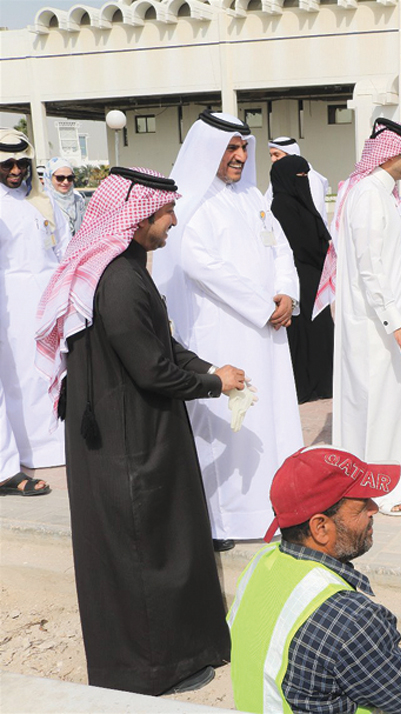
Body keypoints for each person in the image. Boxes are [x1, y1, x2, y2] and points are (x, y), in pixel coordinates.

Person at [35, 166, 240, 695]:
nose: (172, 221)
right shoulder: (120, 278)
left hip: (130, 430)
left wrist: (210, 370)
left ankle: (168, 659)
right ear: (138, 217)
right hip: (129, 441)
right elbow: (151, 369)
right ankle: (153, 672)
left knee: (152, 545)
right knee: (144, 552)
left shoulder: (124, 267)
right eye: (166, 212)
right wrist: (212, 384)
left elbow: (161, 344)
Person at [228, 445, 401, 714]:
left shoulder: (262, 564)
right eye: (362, 505)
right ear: (321, 527)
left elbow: (354, 658)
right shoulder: (350, 617)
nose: (375, 508)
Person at [152, 111, 304, 549]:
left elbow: (282, 250)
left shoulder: (252, 196)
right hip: (223, 333)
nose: (239, 156)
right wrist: (263, 306)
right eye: (230, 148)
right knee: (229, 424)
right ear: (208, 151)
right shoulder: (191, 203)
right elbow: (202, 265)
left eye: (243, 148)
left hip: (268, 330)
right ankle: (225, 520)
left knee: (271, 416)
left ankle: (274, 509)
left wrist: (286, 294)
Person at [314, 118, 401, 516]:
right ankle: (373, 492)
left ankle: (391, 483)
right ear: (390, 153)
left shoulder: (383, 193)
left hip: (386, 319)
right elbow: (368, 269)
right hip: (373, 325)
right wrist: (396, 323)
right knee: (374, 406)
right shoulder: (367, 195)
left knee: (392, 403)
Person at [0, 128, 69, 473]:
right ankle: (28, 451)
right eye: (7, 164)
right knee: (22, 377)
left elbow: (65, 249)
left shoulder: (44, 201)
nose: (16, 171)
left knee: (54, 371)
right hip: (11, 307)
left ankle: (59, 445)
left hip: (51, 301)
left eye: (22, 164)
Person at [269, 155, 334, 403]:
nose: (304, 181)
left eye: (306, 176)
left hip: (314, 275)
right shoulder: (281, 206)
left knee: (319, 330)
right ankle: (305, 386)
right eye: (300, 176)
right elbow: (300, 244)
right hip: (297, 278)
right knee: (302, 333)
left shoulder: (301, 202)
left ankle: (323, 382)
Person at [264, 136, 331, 220]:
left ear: (291, 155)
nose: (273, 159)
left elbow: (315, 212)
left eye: (276, 155)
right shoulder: (278, 180)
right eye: (271, 155)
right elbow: (267, 204)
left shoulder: (310, 178)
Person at [44, 157, 88, 234]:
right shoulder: (43, 202)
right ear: (49, 177)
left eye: (70, 178)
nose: (65, 182)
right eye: (60, 178)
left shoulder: (78, 201)